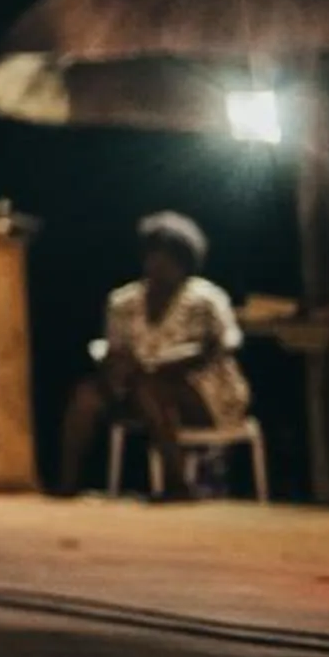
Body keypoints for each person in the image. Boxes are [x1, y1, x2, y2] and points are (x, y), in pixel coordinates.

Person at [55, 211, 253, 499]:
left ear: (185, 261)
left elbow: (226, 344)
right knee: (86, 395)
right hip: (135, 388)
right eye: (153, 255)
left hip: (204, 394)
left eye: (168, 257)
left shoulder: (206, 298)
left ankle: (176, 484)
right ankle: (67, 484)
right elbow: (115, 349)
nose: (158, 264)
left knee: (153, 386)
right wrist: (115, 365)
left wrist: (176, 361)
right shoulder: (123, 301)